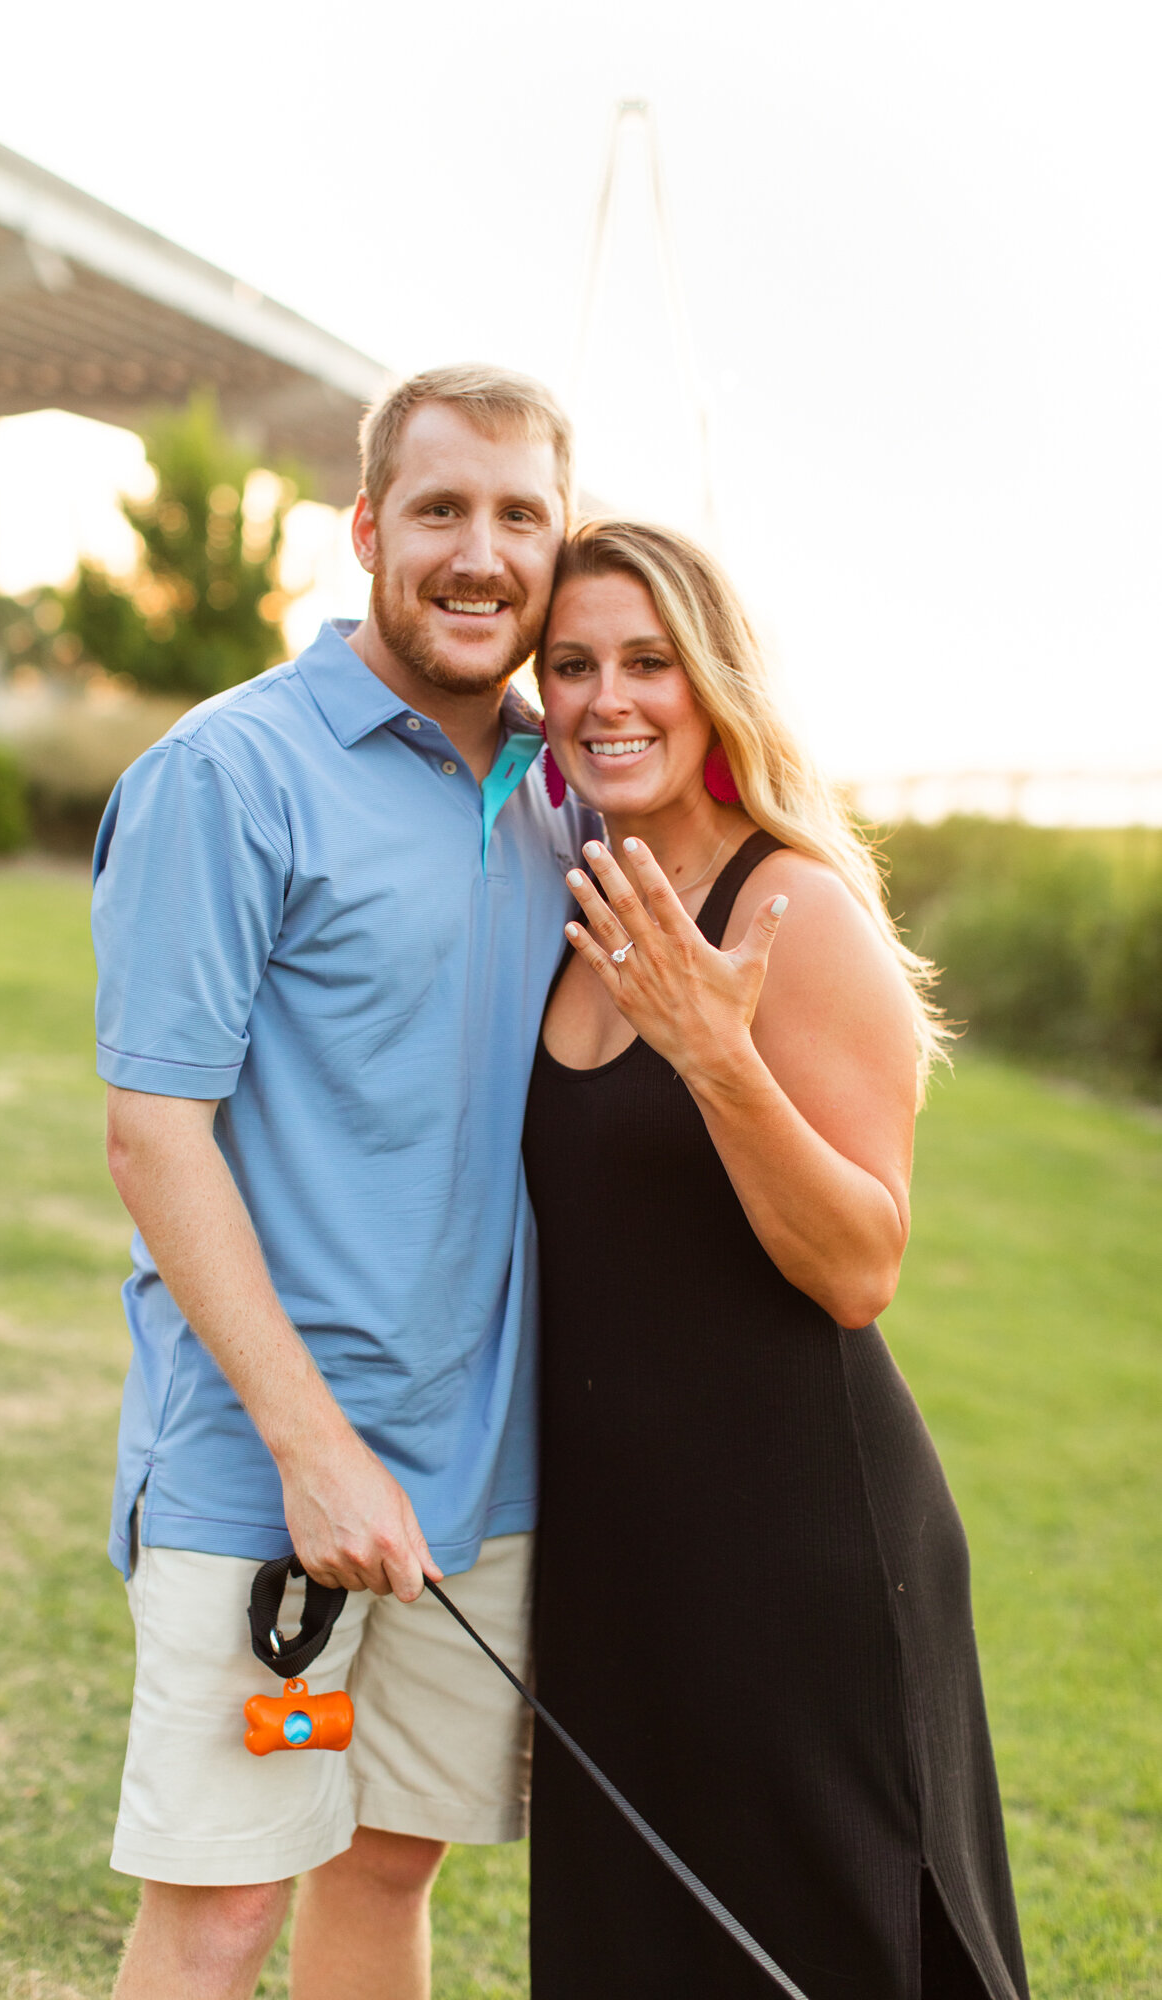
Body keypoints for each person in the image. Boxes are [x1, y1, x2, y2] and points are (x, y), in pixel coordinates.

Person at [91, 365, 595, 2000]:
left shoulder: (564, 792)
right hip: (267, 1473)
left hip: (482, 1477)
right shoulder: (228, 775)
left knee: (385, 1871)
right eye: (440, 508)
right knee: (226, 1908)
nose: (479, 552)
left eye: (519, 516)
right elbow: (152, 1134)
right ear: (368, 528)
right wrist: (314, 1453)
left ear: (557, 544)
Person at [522, 519, 1029, 1998]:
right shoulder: (575, 898)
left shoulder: (790, 903)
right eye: (572, 665)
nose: (609, 697)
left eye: (647, 660)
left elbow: (860, 1262)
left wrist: (715, 1058)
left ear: (713, 681)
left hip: (794, 1545)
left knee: (814, 1951)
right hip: (620, 1548)